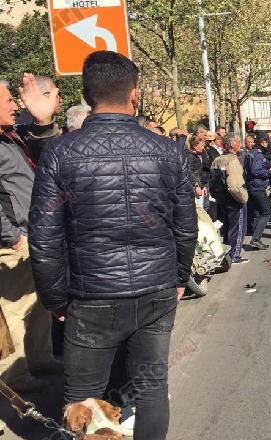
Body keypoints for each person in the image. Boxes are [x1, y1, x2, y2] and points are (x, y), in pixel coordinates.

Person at [27, 51, 197, 440]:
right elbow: (185, 225)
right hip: (156, 289)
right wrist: (179, 277)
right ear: (134, 94)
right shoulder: (168, 151)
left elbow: (44, 236)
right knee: (151, 388)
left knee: (82, 402)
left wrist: (55, 299)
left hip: (91, 295)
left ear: (87, 95)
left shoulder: (60, 152)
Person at [0, 75, 61, 402]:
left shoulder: (11, 138)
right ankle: (14, 374)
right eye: (9, 100)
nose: (15, 105)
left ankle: (40, 360)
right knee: (14, 309)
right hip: (14, 243)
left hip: (31, 236)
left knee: (38, 304)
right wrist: (12, 238)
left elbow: (42, 141)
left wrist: (40, 116)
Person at [210, 133, 249, 264]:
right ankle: (234, 255)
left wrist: (216, 196)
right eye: (238, 142)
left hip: (221, 198)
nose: (240, 144)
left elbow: (212, 181)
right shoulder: (232, 161)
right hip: (234, 199)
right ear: (232, 144)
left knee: (227, 227)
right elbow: (234, 186)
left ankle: (227, 254)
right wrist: (243, 198)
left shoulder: (217, 160)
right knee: (237, 228)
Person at [244, 131, 271, 250]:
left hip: (251, 186)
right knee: (266, 212)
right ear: (262, 142)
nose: (267, 144)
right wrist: (269, 172)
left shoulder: (250, 153)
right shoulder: (258, 154)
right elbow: (256, 171)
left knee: (258, 212)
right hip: (257, 187)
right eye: (266, 142)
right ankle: (255, 239)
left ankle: (256, 237)